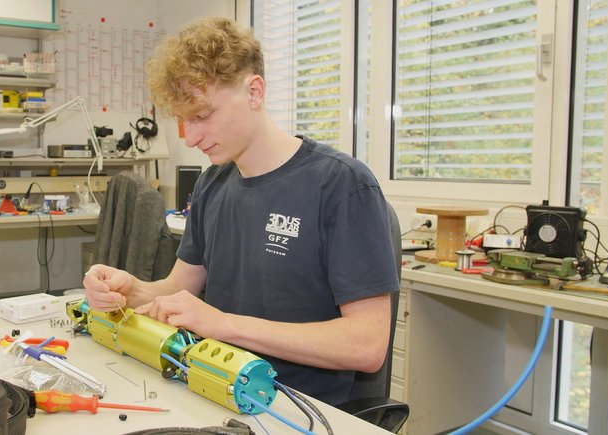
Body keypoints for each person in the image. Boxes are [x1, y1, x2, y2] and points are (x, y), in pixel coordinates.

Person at [83, 16, 398, 407]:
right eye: (183, 121)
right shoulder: (213, 184)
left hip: (296, 406)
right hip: (210, 386)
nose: (192, 137)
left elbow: (367, 346)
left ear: (254, 92)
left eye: (202, 116)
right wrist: (132, 291)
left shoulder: (342, 185)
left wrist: (223, 325)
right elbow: (180, 287)